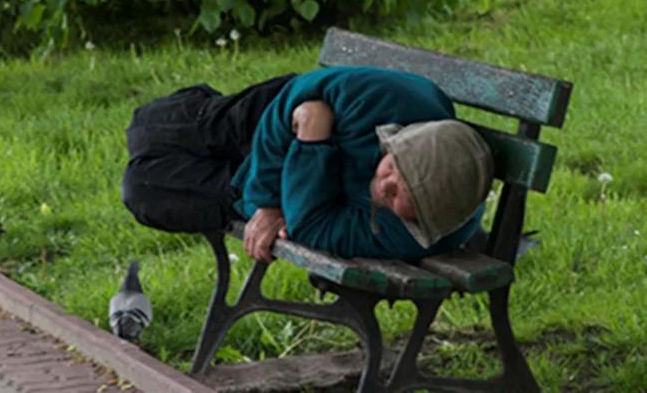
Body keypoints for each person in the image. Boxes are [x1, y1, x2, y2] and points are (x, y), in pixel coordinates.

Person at [122, 66, 494, 261]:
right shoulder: (385, 99)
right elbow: (295, 103)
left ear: (425, 217)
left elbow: (312, 227)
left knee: (143, 190)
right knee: (145, 128)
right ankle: (206, 108)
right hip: (273, 122)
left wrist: (314, 133)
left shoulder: (413, 236)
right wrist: (267, 201)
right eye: (392, 170)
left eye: (398, 198)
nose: (383, 188)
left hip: (299, 177)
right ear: (397, 143)